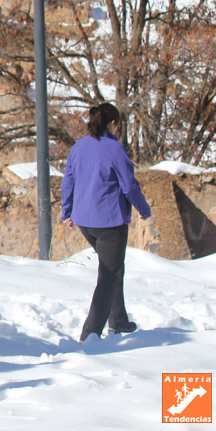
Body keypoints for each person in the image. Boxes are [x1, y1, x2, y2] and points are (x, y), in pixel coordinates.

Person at [61, 102, 151, 343]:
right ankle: (89, 334)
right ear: (112, 124)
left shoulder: (78, 148)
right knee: (109, 274)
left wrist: (66, 211)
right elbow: (129, 184)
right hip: (110, 222)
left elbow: (68, 181)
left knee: (113, 268)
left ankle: (119, 320)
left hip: (85, 222)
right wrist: (143, 209)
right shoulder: (115, 149)